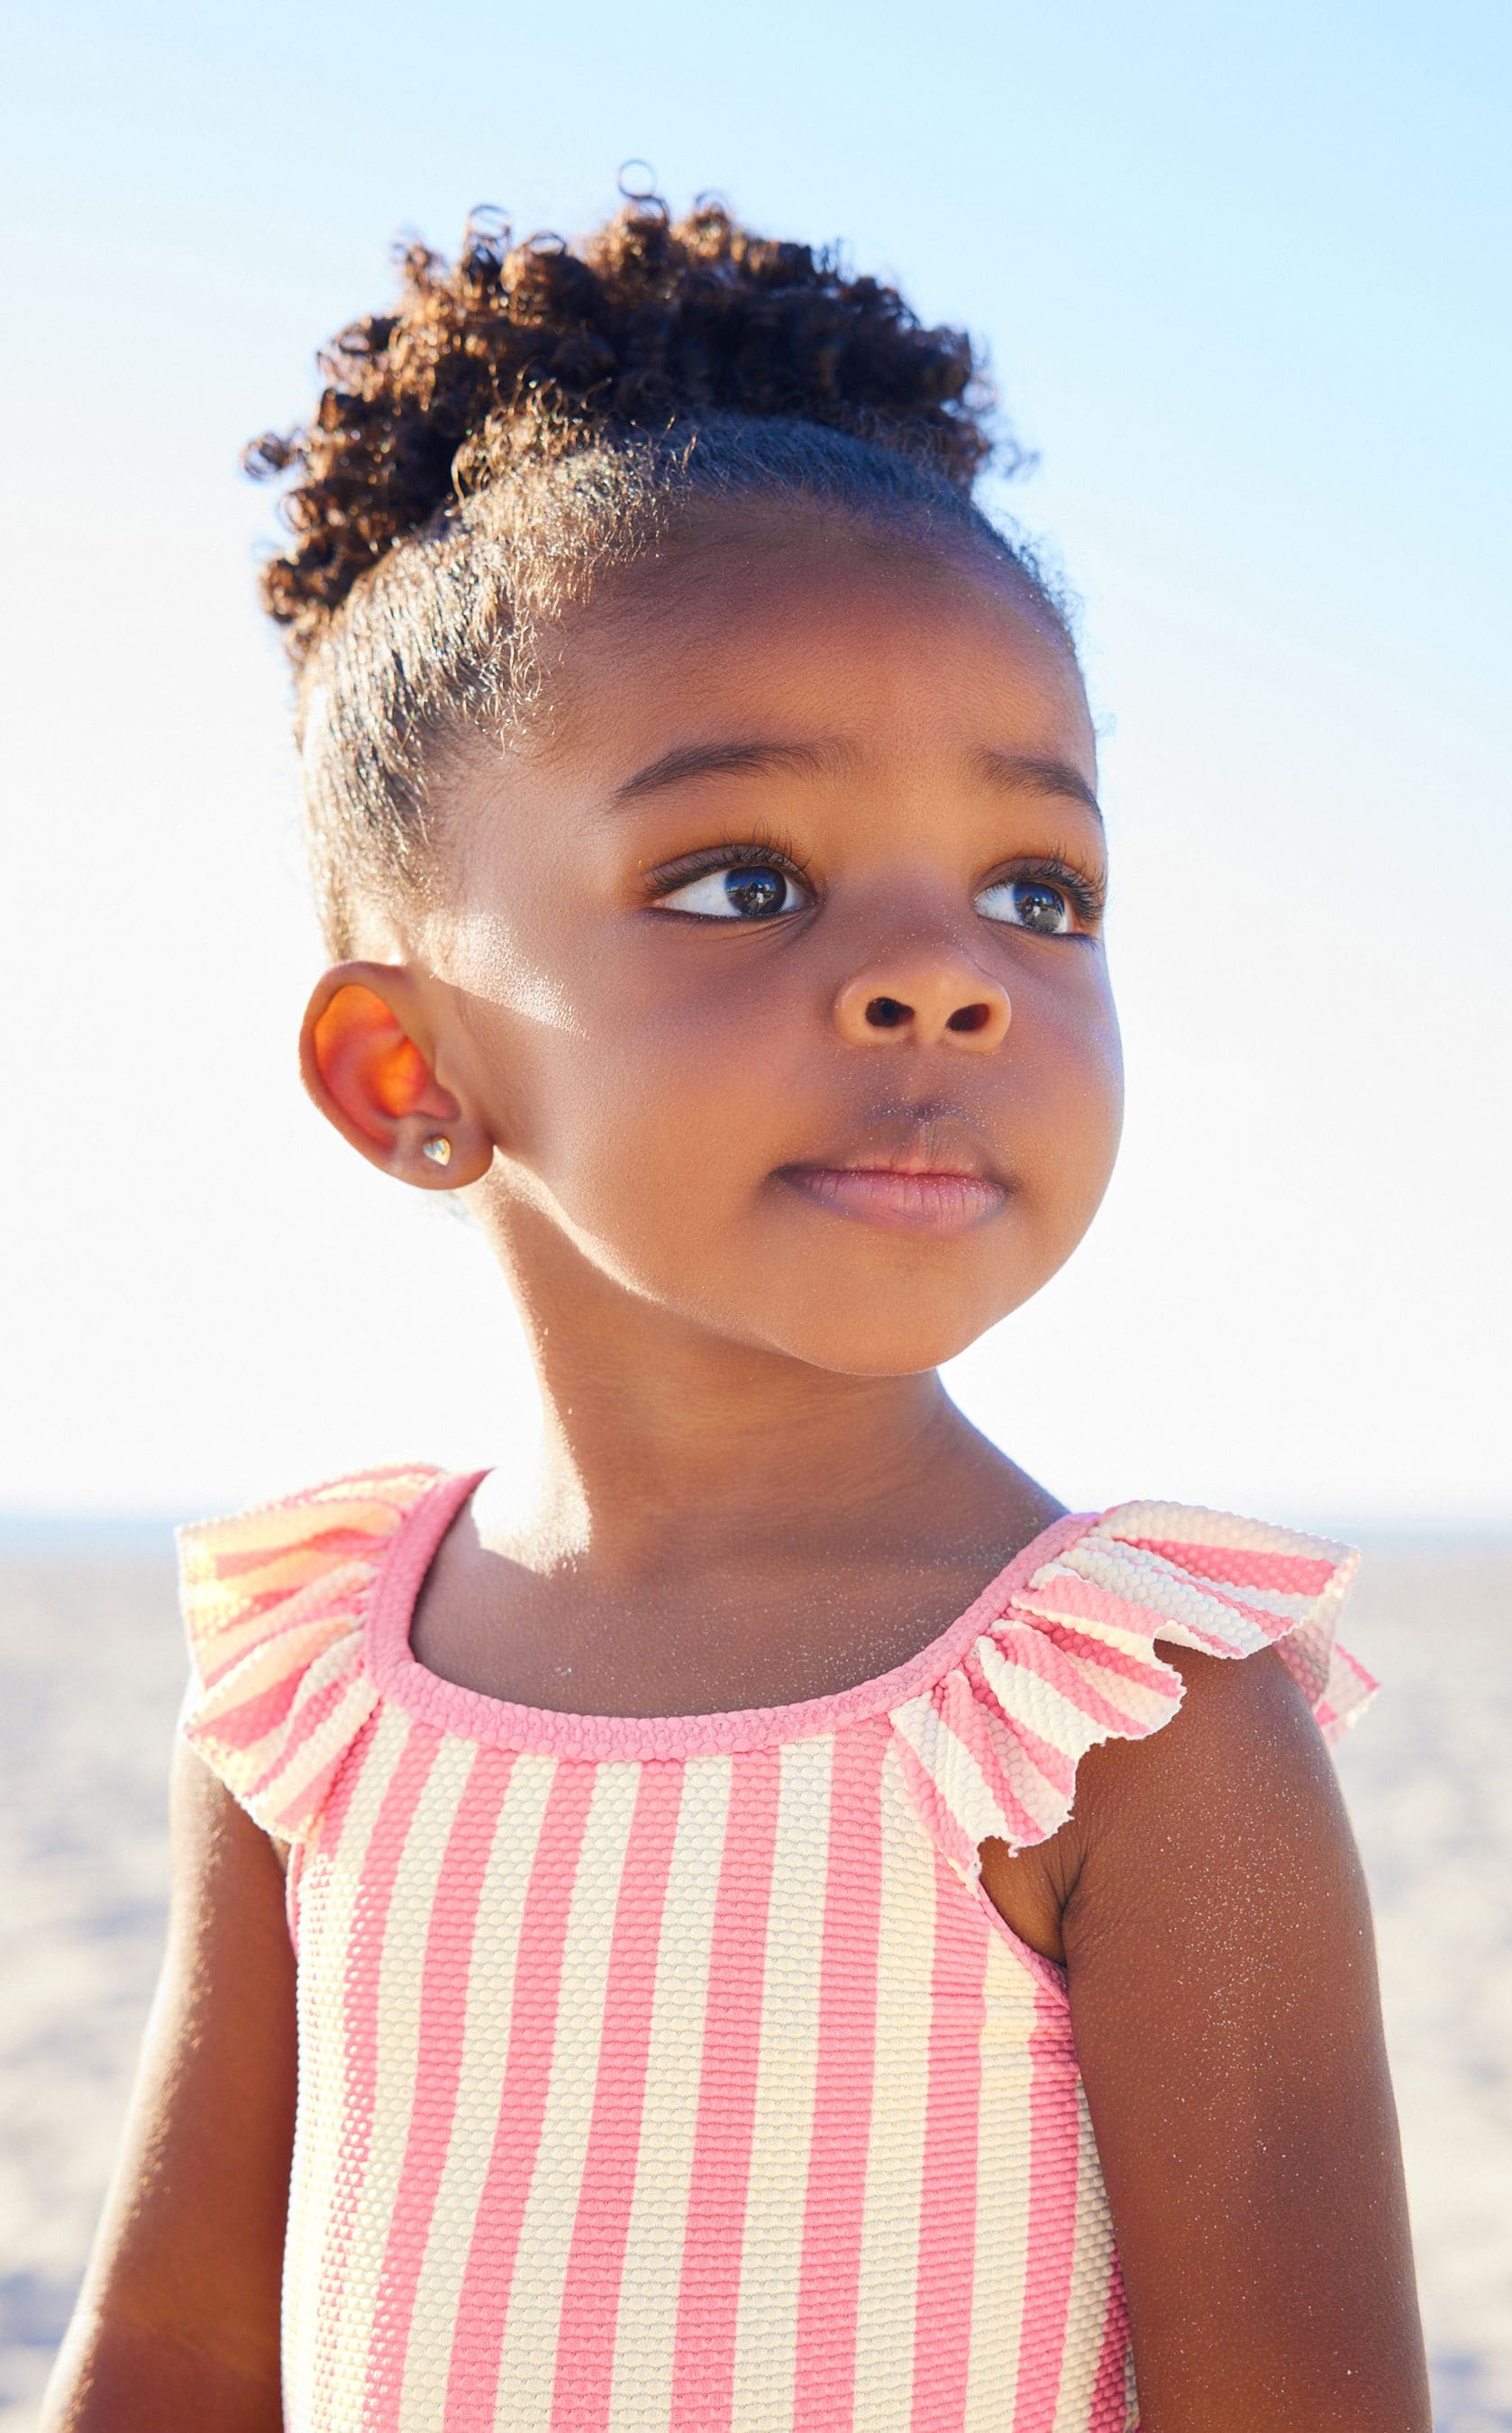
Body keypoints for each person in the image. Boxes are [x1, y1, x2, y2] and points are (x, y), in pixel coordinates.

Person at [42, 192, 1430, 2433]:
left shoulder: (1122, 1720)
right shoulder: (322, 1688)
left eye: (1035, 888)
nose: (942, 968)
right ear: (412, 1074)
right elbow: (186, 2356)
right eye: (741, 879)